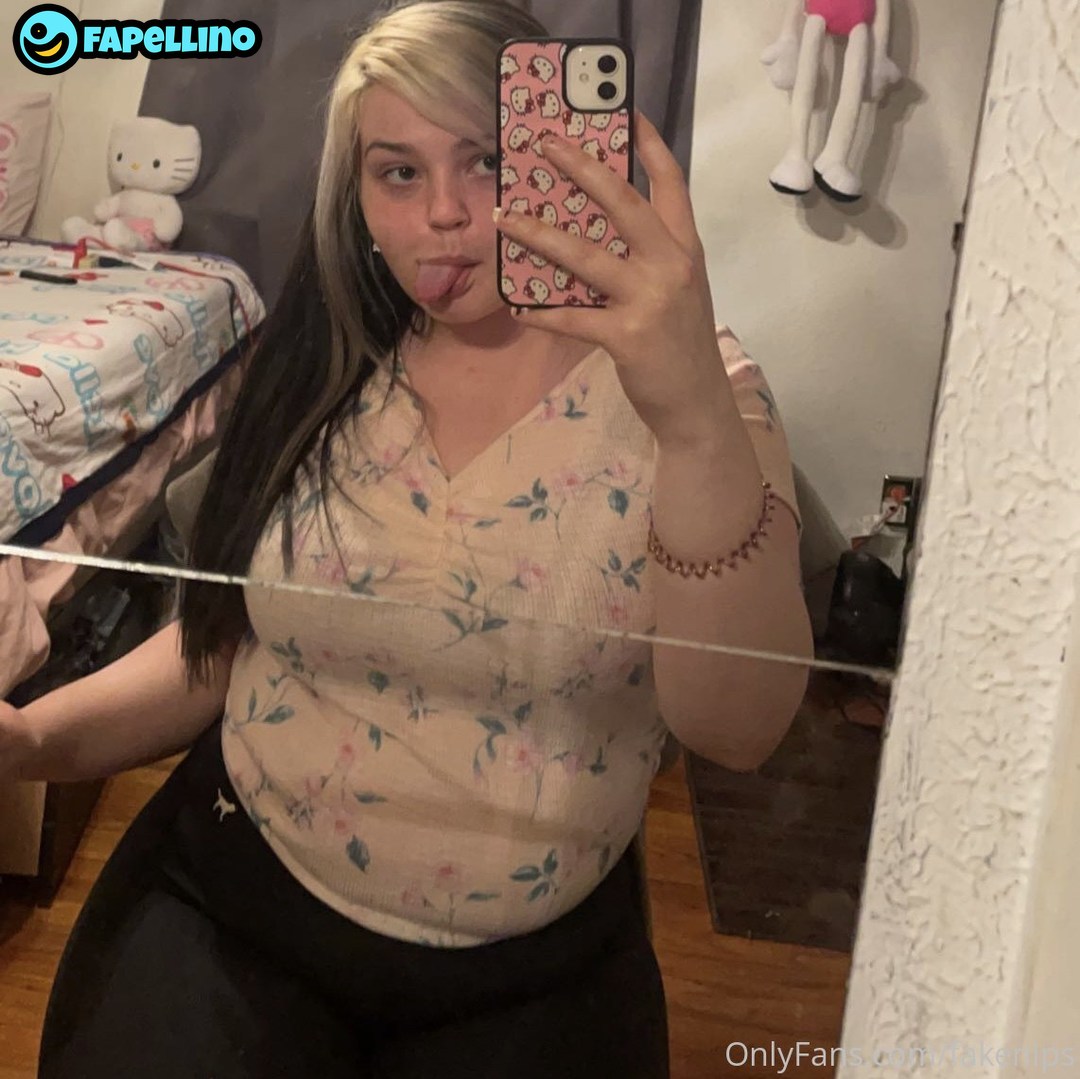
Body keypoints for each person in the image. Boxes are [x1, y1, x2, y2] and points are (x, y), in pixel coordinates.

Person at [0, 1, 812, 1074]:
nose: (443, 212)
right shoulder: (326, 357)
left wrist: (695, 417)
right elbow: (235, 645)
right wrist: (34, 743)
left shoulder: (701, 388)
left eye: (488, 160)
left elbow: (740, 727)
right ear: (357, 198)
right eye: (397, 171)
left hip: (532, 969)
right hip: (231, 896)